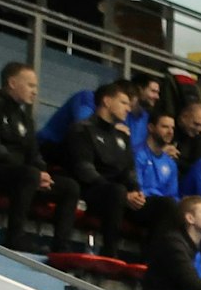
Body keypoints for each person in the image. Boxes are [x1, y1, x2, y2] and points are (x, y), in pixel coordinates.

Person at [0, 63, 80, 252]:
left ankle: (61, 246)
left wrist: (42, 172)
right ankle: (15, 237)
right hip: (4, 170)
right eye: (30, 85)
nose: (35, 92)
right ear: (12, 83)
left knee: (70, 187)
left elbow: (34, 152)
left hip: (23, 175)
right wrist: (32, 172)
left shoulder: (25, 117)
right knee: (28, 175)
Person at [62, 81, 146, 253]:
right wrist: (123, 193)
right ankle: (110, 253)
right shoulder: (82, 129)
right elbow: (84, 169)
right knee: (116, 192)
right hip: (92, 192)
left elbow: (129, 170)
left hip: (121, 194)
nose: (128, 109)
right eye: (123, 103)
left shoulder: (123, 136)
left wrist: (135, 191)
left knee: (165, 206)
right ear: (107, 101)